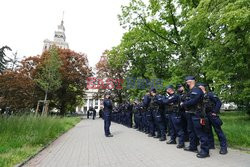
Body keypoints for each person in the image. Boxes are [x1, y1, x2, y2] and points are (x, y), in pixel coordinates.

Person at [181, 76, 210, 158]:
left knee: (200, 133)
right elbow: (185, 99)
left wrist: (184, 104)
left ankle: (205, 151)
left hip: (197, 114)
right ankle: (192, 147)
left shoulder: (197, 90)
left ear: (190, 82)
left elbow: (193, 101)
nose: (186, 83)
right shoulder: (190, 91)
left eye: (187, 82)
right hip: (190, 113)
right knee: (191, 131)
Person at [197, 83, 228, 155]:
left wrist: (215, 112)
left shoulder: (210, 94)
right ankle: (211, 145)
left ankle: (224, 147)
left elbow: (219, 102)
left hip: (212, 114)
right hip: (205, 115)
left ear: (203, 87)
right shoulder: (200, 96)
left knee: (218, 131)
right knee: (208, 131)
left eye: (199, 88)